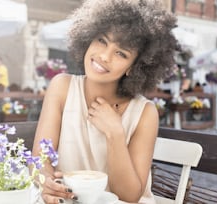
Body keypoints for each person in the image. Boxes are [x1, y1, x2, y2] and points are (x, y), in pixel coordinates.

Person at [32, 0, 179, 203]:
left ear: (134, 67)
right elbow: (40, 160)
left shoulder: (144, 112)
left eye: (121, 53)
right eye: (102, 40)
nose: (104, 56)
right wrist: (46, 182)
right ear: (88, 37)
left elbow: (129, 196)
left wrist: (115, 134)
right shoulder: (62, 87)